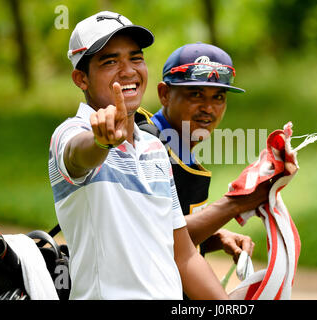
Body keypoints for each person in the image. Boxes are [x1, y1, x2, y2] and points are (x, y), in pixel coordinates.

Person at [48, 11, 228, 300]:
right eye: (110, 61)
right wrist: (101, 142)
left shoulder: (155, 149)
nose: (129, 70)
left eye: (136, 57)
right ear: (81, 78)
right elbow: (76, 155)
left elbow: (183, 256)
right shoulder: (71, 133)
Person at [135, 43, 273, 263]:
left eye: (218, 97)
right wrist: (235, 204)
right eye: (196, 94)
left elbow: (175, 226)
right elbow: (152, 237)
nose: (208, 108)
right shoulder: (144, 144)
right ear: (164, 94)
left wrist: (216, 236)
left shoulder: (178, 145)